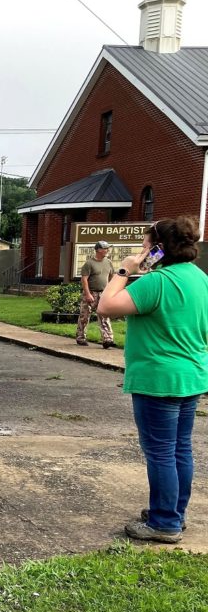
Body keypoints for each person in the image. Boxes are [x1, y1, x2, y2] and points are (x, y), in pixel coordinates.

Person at [98, 217, 208, 544]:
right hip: (191, 376)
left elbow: (106, 306)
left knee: (160, 452)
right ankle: (174, 513)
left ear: (159, 249)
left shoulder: (157, 282)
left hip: (158, 380)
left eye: (146, 245)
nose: (142, 251)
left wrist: (123, 269)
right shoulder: (199, 278)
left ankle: (164, 523)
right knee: (179, 449)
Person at [76, 240, 116, 348]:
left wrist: (110, 290)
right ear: (98, 250)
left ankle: (107, 339)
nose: (107, 250)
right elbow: (84, 279)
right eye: (105, 248)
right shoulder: (89, 263)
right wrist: (87, 294)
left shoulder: (108, 262)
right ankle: (81, 337)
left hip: (103, 293)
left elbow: (112, 276)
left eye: (108, 248)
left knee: (104, 315)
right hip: (91, 293)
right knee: (84, 316)